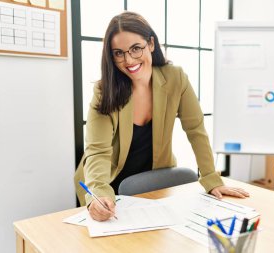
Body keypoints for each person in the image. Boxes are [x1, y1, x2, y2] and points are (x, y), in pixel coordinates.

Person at [74, 11, 249, 221]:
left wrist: (211, 179)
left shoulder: (175, 78)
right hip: (105, 184)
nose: (128, 60)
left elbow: (195, 130)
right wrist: (98, 195)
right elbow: (98, 151)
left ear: (151, 44)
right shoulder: (106, 90)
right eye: (118, 53)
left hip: (153, 183)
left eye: (136, 48)